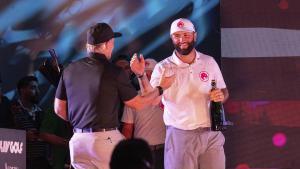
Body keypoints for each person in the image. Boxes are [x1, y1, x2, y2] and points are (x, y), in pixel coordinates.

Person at [54, 22, 174, 169]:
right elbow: (138, 103)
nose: (113, 46)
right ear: (106, 44)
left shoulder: (69, 69)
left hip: (78, 142)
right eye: (112, 43)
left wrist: (82, 121)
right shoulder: (113, 71)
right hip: (104, 140)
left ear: (88, 46)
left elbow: (59, 109)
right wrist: (161, 88)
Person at [130, 18, 229, 169]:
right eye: (177, 36)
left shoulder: (209, 62)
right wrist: (141, 75)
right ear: (172, 39)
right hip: (180, 135)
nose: (181, 39)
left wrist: (221, 96)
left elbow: (224, 90)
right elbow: (152, 100)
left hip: (211, 133)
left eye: (186, 35)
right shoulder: (163, 67)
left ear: (194, 36)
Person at [122, 58, 165, 169]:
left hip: (165, 150)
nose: (149, 77)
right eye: (145, 74)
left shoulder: (168, 96)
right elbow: (127, 128)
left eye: (152, 73)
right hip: (141, 152)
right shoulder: (133, 97)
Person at [11, 76, 51, 169]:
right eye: (33, 88)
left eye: (37, 88)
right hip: (18, 162)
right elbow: (4, 134)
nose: (37, 91)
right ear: (22, 90)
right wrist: (23, 136)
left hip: (42, 162)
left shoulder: (41, 112)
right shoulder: (11, 109)